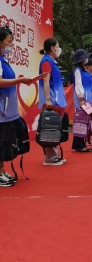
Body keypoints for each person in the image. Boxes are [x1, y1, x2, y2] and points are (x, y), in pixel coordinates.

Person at [0, 26, 35, 187]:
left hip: (8, 110)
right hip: (2, 109)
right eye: (9, 41)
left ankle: (1, 171)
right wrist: (19, 81)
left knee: (5, 141)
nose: (11, 45)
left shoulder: (4, 60)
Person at [38, 37, 67, 165]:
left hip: (57, 100)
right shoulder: (46, 61)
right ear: (52, 48)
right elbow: (45, 81)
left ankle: (53, 155)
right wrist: (48, 100)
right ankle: (50, 157)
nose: (59, 48)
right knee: (50, 127)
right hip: (51, 101)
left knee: (55, 127)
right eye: (58, 45)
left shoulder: (52, 61)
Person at [72, 49, 92, 153]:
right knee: (80, 122)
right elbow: (78, 84)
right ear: (82, 60)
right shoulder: (78, 70)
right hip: (81, 100)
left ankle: (81, 144)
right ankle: (79, 145)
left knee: (84, 122)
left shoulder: (83, 70)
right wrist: (81, 98)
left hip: (86, 100)